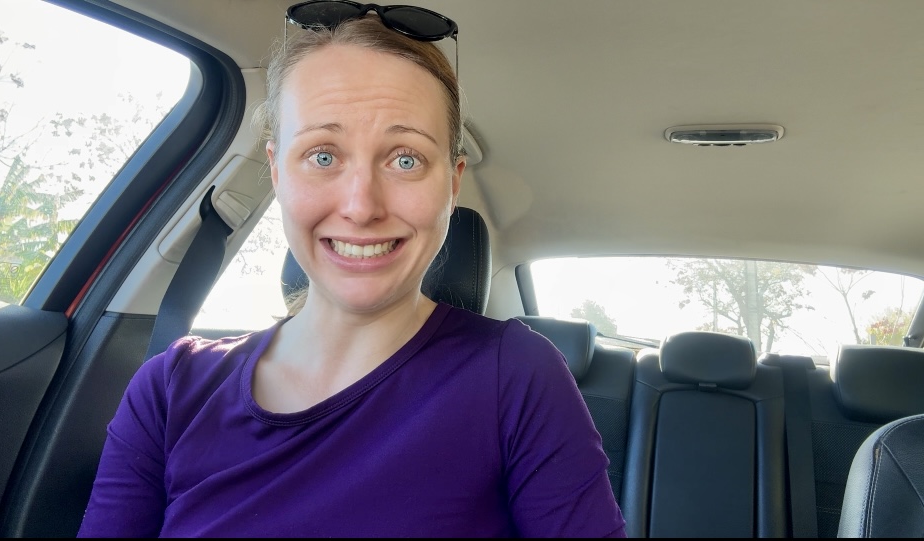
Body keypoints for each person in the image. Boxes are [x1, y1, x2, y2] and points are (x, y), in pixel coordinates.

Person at [77, 1, 626, 537]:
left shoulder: (518, 377)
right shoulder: (172, 389)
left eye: (405, 158)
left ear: (452, 182)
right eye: (322, 155)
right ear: (276, 170)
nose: (362, 206)